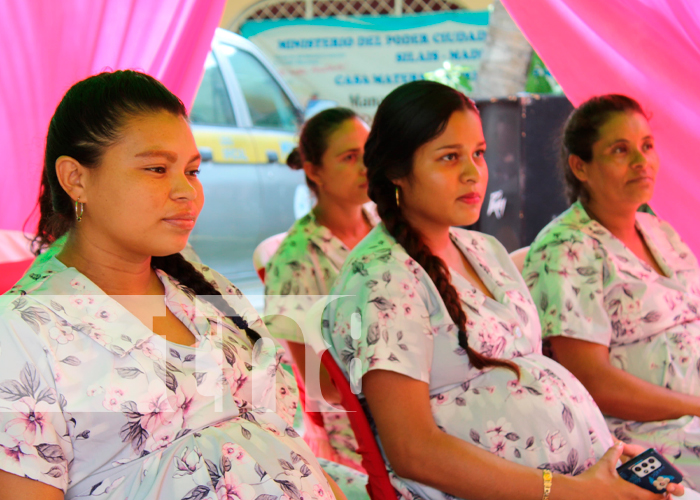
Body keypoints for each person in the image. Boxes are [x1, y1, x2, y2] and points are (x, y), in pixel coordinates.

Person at [321, 81, 687, 500]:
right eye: (449, 158)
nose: (472, 172)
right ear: (396, 170)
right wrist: (567, 491)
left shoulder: (483, 249)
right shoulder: (381, 278)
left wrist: (607, 458)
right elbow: (413, 451)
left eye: (478, 153)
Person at [0, 70, 346, 500]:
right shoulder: (23, 330)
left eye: (193, 170)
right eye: (156, 169)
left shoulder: (202, 290)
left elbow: (280, 444)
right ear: (76, 178)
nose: (187, 191)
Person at [524, 94, 700, 486]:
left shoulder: (659, 230)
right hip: (646, 435)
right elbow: (593, 381)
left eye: (647, 146)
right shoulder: (566, 248)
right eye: (620, 150)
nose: (641, 162)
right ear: (580, 166)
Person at [264, 108, 377, 484]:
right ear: (314, 171)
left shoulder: (388, 226)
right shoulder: (295, 260)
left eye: (367, 152)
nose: (365, 166)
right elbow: (318, 385)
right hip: (355, 423)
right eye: (349, 157)